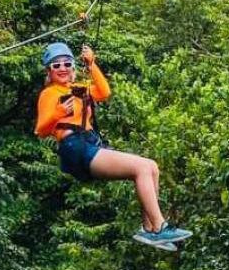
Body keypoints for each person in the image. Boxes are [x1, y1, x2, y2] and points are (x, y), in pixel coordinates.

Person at [34, 41, 192, 250]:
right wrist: (58, 113)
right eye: (56, 65)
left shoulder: (79, 89)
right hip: (75, 147)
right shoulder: (49, 94)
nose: (62, 68)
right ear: (49, 70)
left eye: (67, 64)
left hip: (87, 143)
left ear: (73, 66)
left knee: (152, 166)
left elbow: (104, 92)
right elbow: (40, 130)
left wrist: (91, 64)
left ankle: (149, 229)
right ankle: (160, 226)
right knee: (142, 168)